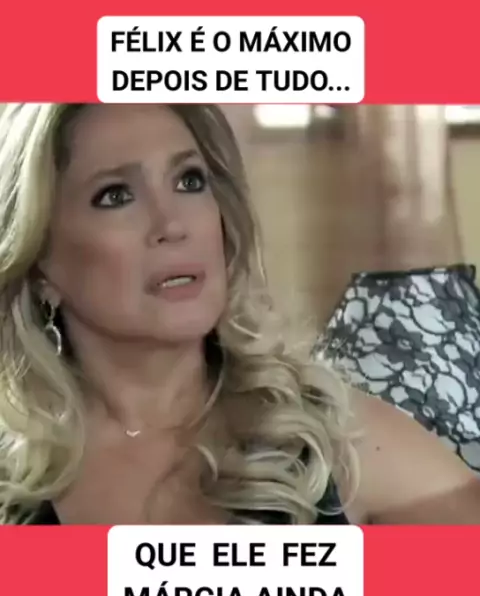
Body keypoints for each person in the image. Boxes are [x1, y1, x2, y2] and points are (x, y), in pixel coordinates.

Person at [0, 102, 478, 526]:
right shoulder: (12, 474)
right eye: (116, 195)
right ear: (40, 263)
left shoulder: (340, 438)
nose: (173, 224)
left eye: (189, 181)